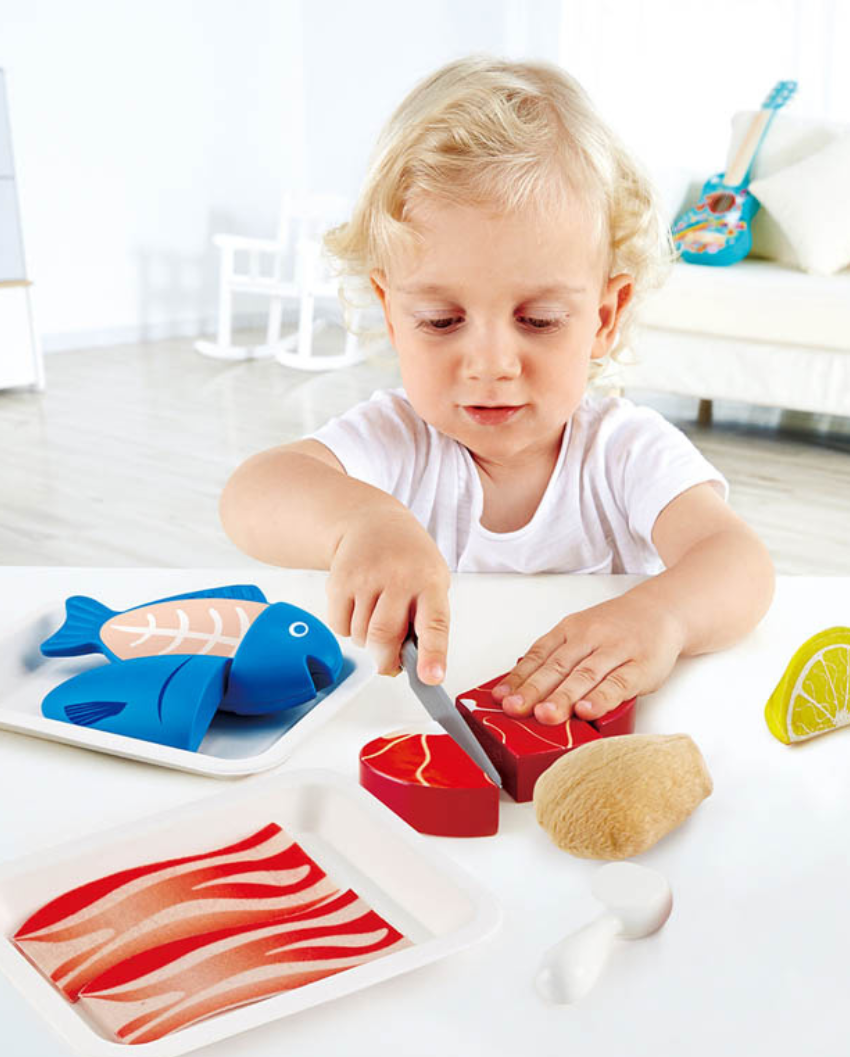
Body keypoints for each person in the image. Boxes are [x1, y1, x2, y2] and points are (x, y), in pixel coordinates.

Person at [220, 55, 774, 728]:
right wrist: (361, 521)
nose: (490, 364)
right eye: (441, 321)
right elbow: (252, 493)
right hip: (419, 735)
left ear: (604, 316)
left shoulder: (623, 452)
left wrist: (664, 616)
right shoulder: (398, 442)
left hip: (597, 748)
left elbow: (739, 563)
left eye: (537, 320)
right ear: (391, 314)